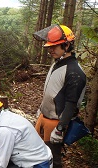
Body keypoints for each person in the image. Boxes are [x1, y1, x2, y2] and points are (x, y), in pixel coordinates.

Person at [33, 24, 86, 168]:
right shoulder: (58, 63)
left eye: (55, 46)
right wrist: (41, 108)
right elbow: (52, 91)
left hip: (56, 124)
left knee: (53, 159)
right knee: (39, 154)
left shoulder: (75, 72)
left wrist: (60, 129)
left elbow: (71, 104)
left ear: (67, 45)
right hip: (44, 117)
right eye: (50, 46)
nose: (50, 49)